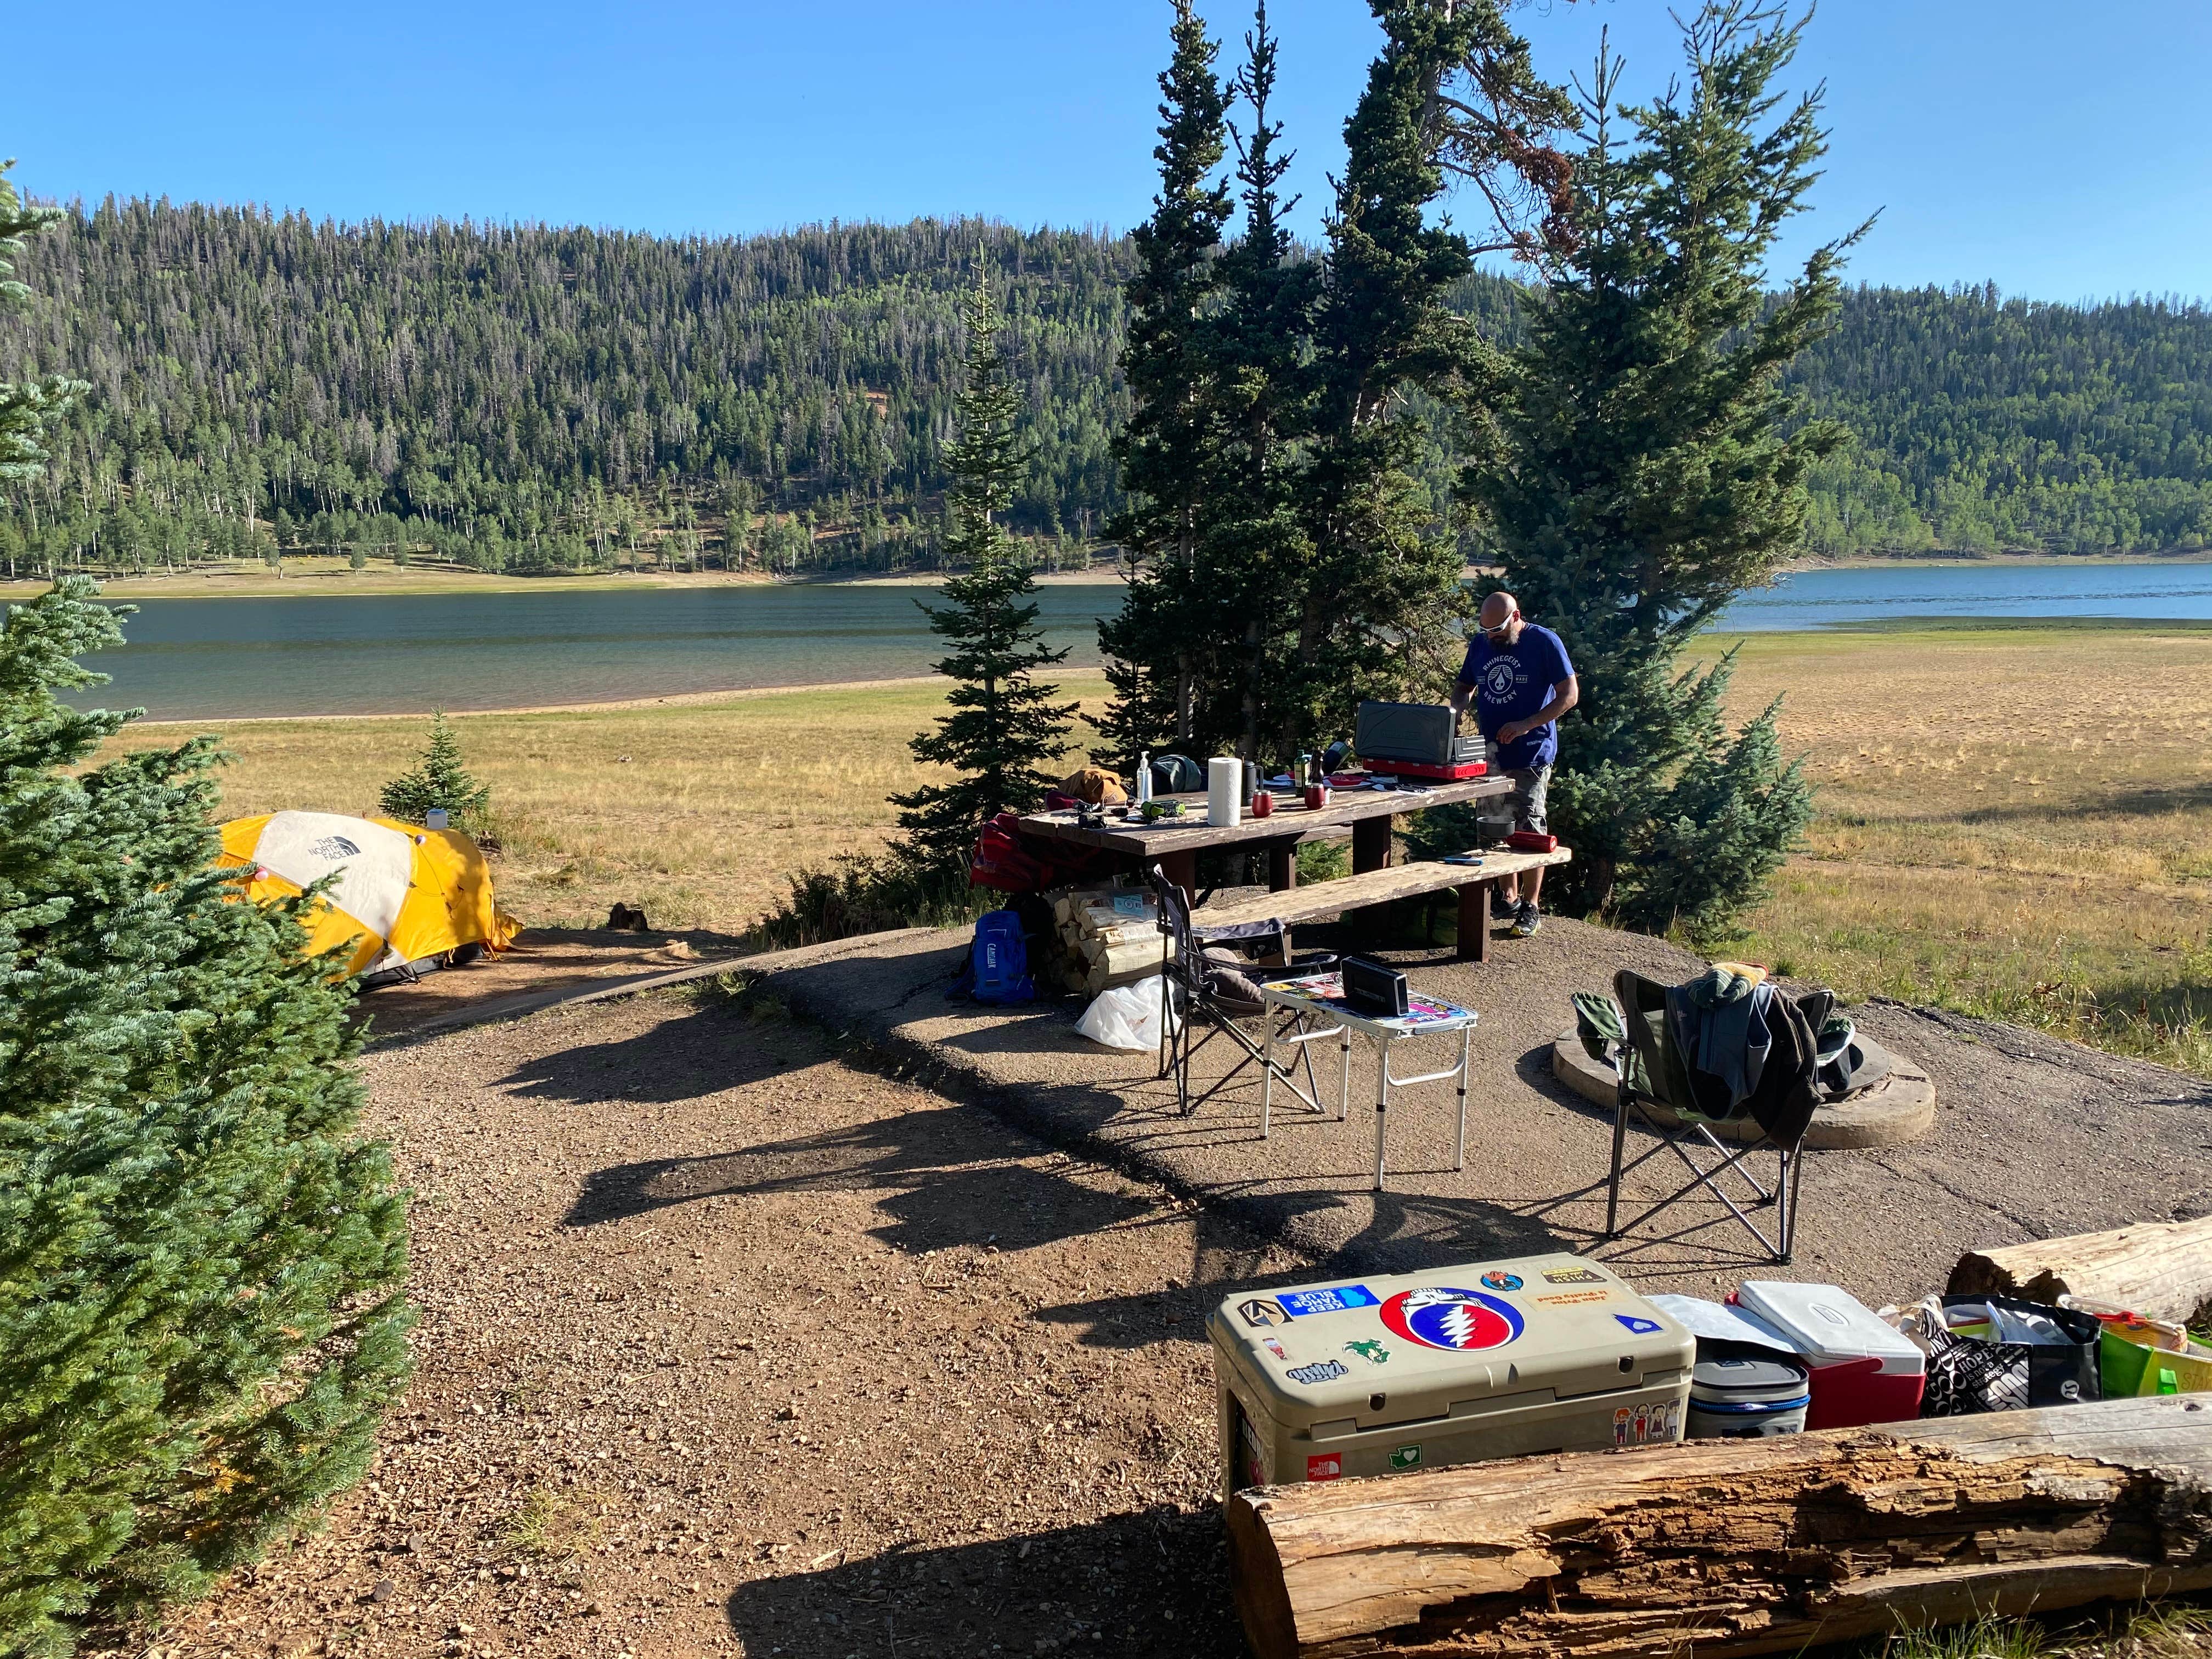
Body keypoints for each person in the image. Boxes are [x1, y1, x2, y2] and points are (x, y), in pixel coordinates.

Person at [1449, 590, 1577, 937]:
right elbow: (1463, 688)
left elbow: (1570, 695)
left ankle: (1532, 906)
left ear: (1517, 617)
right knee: (1492, 826)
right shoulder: (1480, 644)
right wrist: (1455, 713)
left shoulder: (1544, 642)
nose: (1493, 638)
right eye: (1488, 631)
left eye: (1500, 632)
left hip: (1531, 755)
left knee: (1529, 829)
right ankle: (1508, 897)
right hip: (1488, 754)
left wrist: (1526, 725)